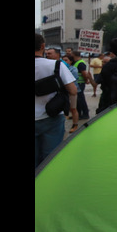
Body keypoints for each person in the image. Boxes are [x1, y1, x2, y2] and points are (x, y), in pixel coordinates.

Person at [35, 34, 78, 168]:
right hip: (52, 116)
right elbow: (73, 90)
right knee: (50, 160)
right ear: (43, 46)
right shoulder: (56, 65)